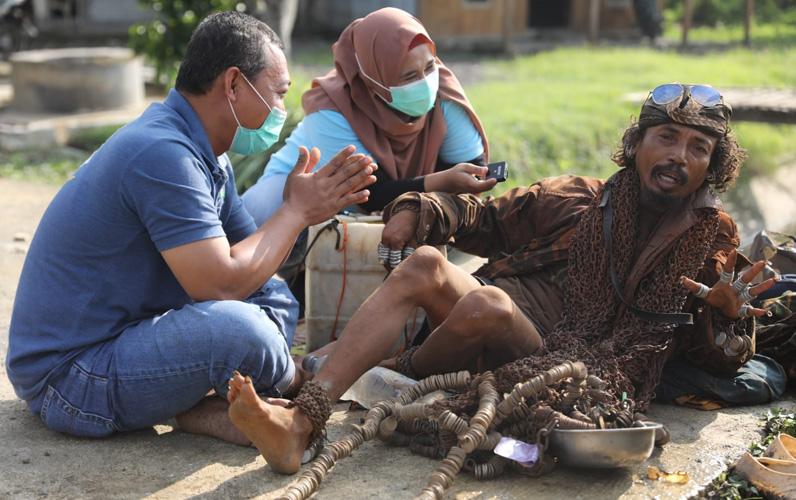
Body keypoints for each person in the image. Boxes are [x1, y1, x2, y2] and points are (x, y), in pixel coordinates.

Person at [225, 83, 784, 474]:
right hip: (487, 321)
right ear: (636, 144)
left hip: (569, 361)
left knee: (486, 304)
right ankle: (302, 420)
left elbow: (703, 359)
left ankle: (389, 375)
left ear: (713, 166)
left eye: (698, 148)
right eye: (665, 137)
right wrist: (421, 209)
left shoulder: (712, 240)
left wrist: (724, 317)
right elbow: (480, 220)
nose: (678, 156)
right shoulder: (579, 199)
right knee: (425, 265)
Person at [5, 11, 375, 443]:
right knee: (237, 329)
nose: (281, 110)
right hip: (70, 376)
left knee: (270, 295)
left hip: (121, 345)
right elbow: (219, 286)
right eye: (277, 94)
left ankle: (211, 409)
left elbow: (251, 268)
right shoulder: (162, 153)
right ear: (234, 84)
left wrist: (294, 215)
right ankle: (295, 390)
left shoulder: (206, 155)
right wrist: (295, 212)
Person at [242, 7, 494, 226]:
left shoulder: (443, 93)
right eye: (408, 76)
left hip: (388, 211)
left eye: (429, 67)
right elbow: (369, 192)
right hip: (299, 205)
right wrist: (441, 182)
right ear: (374, 78)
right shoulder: (333, 108)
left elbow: (473, 166)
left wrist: (456, 183)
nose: (425, 83)